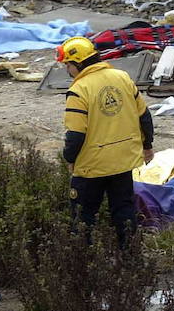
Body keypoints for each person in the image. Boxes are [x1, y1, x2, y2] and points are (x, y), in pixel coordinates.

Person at [57, 36, 155, 246]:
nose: (67, 70)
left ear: (78, 63)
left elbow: (75, 135)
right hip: (123, 161)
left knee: (83, 217)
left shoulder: (78, 90)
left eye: (68, 65)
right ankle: (130, 258)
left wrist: (69, 158)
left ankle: (84, 262)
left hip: (91, 166)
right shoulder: (122, 77)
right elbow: (144, 116)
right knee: (124, 211)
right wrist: (147, 146)